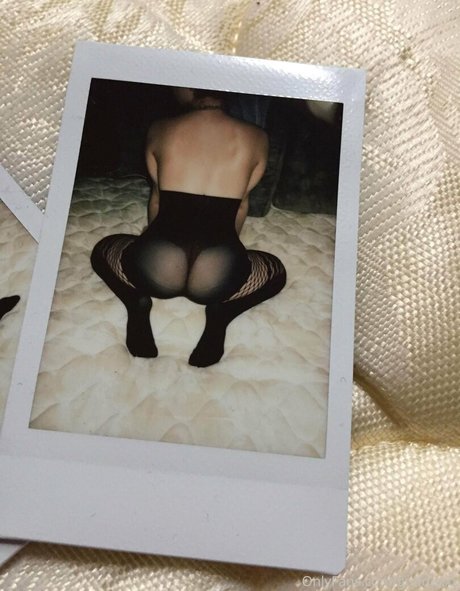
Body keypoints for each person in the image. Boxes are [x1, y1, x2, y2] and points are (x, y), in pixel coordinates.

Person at [91, 88, 286, 367]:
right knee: (274, 271)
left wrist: (150, 235)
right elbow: (242, 205)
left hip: (157, 265)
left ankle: (136, 303)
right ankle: (222, 314)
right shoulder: (257, 136)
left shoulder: (161, 128)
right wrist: (230, 246)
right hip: (217, 274)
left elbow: (157, 198)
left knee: (104, 249)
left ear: (188, 89)